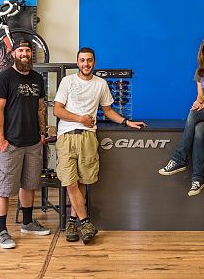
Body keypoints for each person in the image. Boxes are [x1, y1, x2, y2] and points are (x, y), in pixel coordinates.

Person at [53, 47, 146, 244]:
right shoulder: (67, 81)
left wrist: (127, 122)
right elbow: (57, 110)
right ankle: (86, 223)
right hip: (66, 137)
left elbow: (109, 111)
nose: (85, 64)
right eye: (82, 60)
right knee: (70, 182)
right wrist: (79, 118)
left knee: (81, 183)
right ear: (77, 62)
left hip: (88, 137)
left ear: (94, 63)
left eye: (89, 60)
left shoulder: (101, 84)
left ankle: (71, 222)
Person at [0, 38, 51, 249]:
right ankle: (2, 231)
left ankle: (27, 223)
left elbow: (41, 107)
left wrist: (42, 132)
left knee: (29, 183)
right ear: (14, 54)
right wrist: (1, 138)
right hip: (11, 142)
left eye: (28, 50)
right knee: (4, 187)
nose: (25, 54)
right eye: (21, 50)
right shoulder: (4, 78)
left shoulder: (37, 78)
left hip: (33, 141)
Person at [158, 35, 204, 196]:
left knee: (193, 115)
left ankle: (179, 159)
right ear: (203, 50)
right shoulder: (200, 72)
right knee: (199, 130)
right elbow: (201, 96)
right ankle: (199, 179)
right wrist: (198, 103)